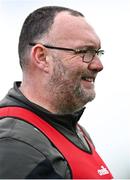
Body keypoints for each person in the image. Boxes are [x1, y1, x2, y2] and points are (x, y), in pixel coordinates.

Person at [0, 6, 113, 179]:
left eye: (97, 52)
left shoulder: (72, 129)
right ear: (42, 57)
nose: (99, 65)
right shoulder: (16, 144)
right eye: (85, 52)